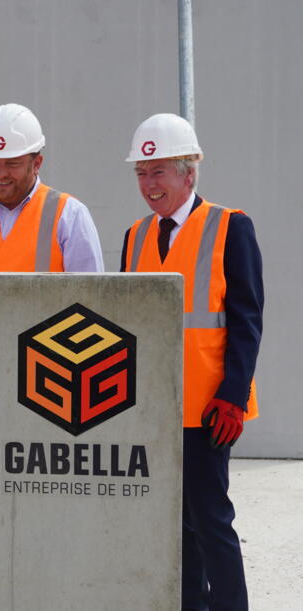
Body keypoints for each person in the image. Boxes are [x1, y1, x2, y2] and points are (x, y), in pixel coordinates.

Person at [121, 113, 261, 611]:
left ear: (189, 172)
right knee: (171, 524)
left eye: (158, 171)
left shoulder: (230, 227)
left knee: (210, 520)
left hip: (207, 409)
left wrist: (233, 396)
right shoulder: (135, 237)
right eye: (141, 172)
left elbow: (247, 320)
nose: (148, 184)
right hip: (155, 409)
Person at [0, 103, 103, 272]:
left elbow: (89, 294)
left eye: (12, 163)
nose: (1, 173)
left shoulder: (69, 216)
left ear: (37, 164)